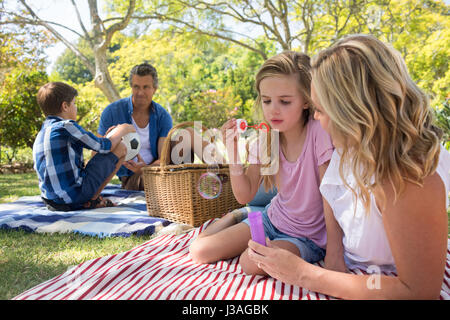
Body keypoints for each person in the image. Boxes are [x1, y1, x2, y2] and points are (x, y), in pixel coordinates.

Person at [247, 34, 450, 299]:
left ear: (352, 111)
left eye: (320, 109)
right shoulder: (351, 149)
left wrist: (304, 274)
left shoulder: (409, 176)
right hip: (352, 275)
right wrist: (333, 257)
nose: (315, 118)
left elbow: (418, 291)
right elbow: (333, 195)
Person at [189, 51, 335, 276]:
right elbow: (244, 196)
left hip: (307, 236)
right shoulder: (266, 140)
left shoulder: (318, 133)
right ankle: (237, 216)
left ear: (307, 100)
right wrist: (233, 151)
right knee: (199, 250)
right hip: (271, 219)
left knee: (249, 263)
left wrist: (335, 252)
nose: (273, 110)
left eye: (285, 101)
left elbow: (331, 197)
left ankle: (244, 220)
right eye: (267, 101)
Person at [33, 82, 135, 211]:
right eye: (74, 103)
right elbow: (104, 146)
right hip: (74, 196)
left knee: (111, 146)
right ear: (65, 106)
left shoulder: (43, 131)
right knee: (120, 147)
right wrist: (123, 129)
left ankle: (90, 198)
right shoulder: (66, 126)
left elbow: (98, 145)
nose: (76, 107)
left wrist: (108, 138)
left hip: (51, 200)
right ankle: (93, 199)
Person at [97, 63, 173, 190]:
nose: (140, 92)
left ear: (155, 88)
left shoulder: (162, 116)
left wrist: (146, 169)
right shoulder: (111, 112)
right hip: (131, 177)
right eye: (136, 87)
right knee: (160, 183)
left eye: (146, 87)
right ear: (131, 87)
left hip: (154, 170)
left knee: (185, 140)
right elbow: (97, 154)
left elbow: (163, 159)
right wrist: (107, 140)